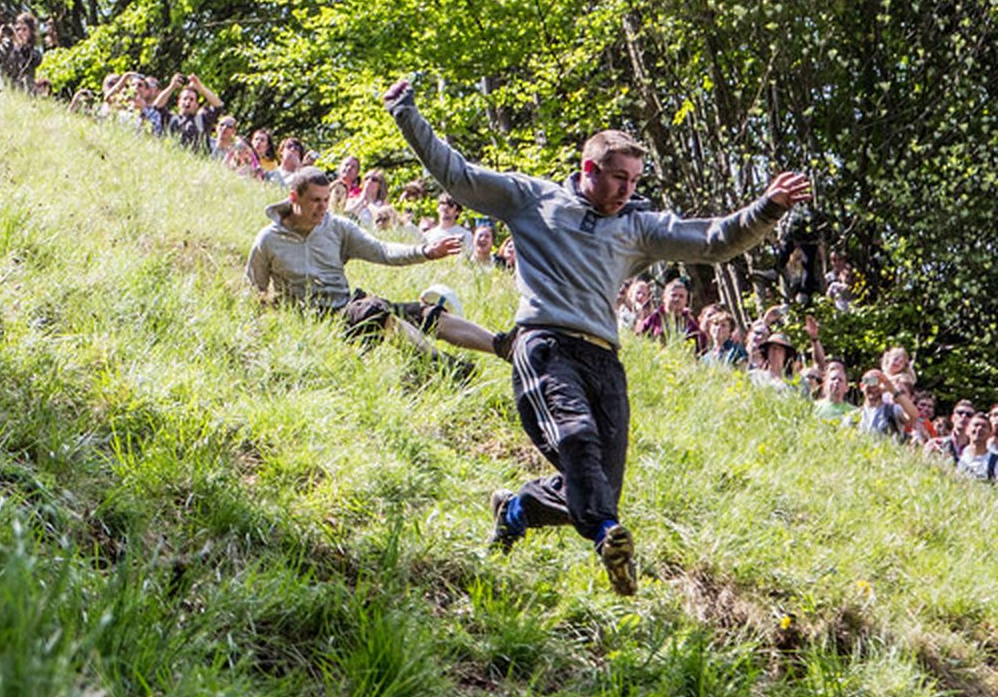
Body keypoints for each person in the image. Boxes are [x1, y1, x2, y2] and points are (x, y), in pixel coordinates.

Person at [384, 77, 811, 596]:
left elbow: (715, 241)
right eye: (617, 179)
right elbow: (457, 173)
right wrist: (406, 112)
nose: (627, 191)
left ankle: (516, 509)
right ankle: (609, 538)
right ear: (588, 170)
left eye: (634, 181)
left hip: (604, 359)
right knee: (576, 439)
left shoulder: (638, 226)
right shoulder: (530, 199)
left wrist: (767, 208)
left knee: (595, 485)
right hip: (543, 345)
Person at [245, 167, 498, 355]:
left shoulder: (338, 227)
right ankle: (444, 366)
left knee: (427, 314)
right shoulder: (268, 240)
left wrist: (425, 252)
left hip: (347, 307)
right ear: (293, 198)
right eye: (315, 200)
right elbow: (253, 292)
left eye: (325, 200)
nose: (322, 208)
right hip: (317, 321)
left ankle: (504, 346)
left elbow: (382, 251)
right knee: (375, 311)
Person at [155, 74, 223, 154]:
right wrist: (171, 87)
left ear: (196, 104)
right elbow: (157, 105)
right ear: (179, 102)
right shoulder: (171, 119)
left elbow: (218, 106)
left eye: (191, 99)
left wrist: (201, 88)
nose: (187, 102)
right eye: (185, 99)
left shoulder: (203, 120)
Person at [636, 279, 708, 352]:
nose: (677, 299)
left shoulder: (690, 324)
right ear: (664, 298)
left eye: (681, 296)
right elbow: (638, 338)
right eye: (673, 295)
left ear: (686, 301)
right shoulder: (654, 318)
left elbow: (702, 347)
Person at [843, 369, 909, 441]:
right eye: (869, 383)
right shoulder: (853, 416)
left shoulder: (893, 410)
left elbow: (913, 417)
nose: (873, 388)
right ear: (861, 386)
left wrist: (893, 390)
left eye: (876, 384)